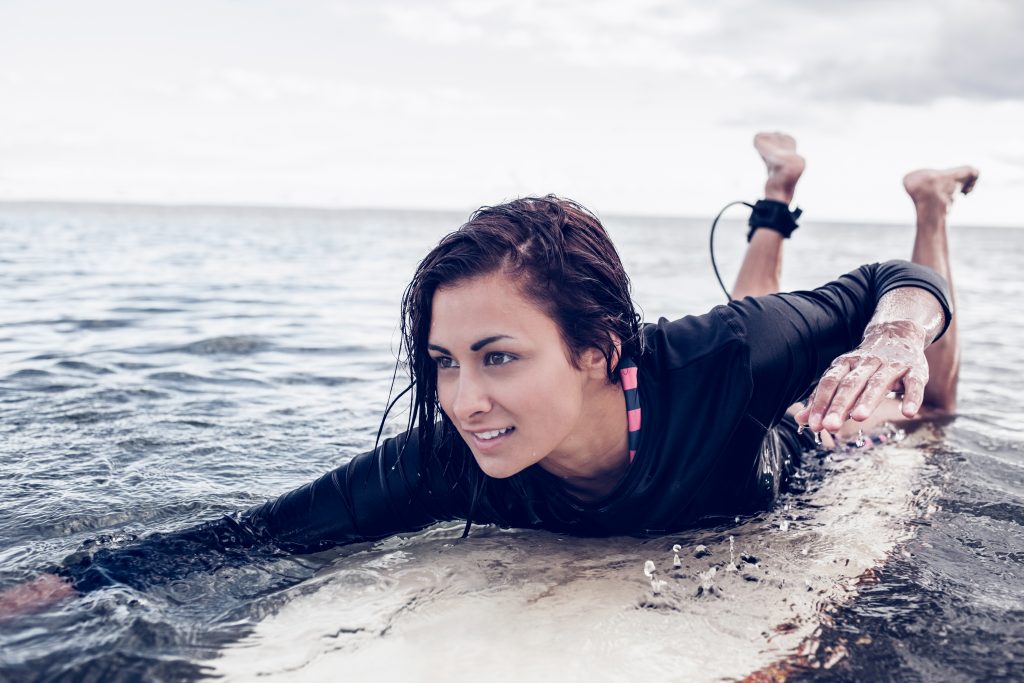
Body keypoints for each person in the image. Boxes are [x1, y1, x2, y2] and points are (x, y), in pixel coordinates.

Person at [0, 132, 978, 616]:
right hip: (730, 357)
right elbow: (265, 531)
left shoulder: (710, 360)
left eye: (499, 356)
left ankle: (928, 196)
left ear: (599, 350)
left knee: (929, 405)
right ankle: (777, 191)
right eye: (444, 362)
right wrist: (64, 583)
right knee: (754, 320)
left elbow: (891, 282)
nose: (464, 399)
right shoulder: (452, 454)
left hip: (766, 415)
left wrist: (895, 333)